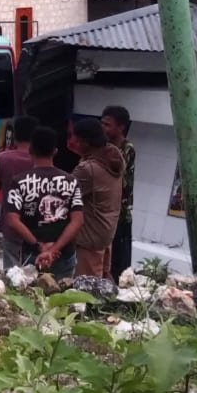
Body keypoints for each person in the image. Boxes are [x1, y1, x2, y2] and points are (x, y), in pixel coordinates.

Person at [2, 126, 84, 281]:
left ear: (30, 151)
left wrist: (39, 246)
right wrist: (54, 249)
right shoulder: (72, 182)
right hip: (64, 254)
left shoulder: (19, 182)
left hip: (33, 254)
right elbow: (78, 221)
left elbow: (12, 221)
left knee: (32, 299)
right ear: (55, 152)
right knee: (62, 299)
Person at [70, 117, 125, 279]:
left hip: (89, 237)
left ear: (86, 142)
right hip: (106, 232)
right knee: (103, 278)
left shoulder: (88, 169)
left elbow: (64, 193)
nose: (75, 144)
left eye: (78, 140)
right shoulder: (114, 157)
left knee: (85, 288)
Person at [0, 115, 38, 270]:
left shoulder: (3, 158)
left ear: (15, 135)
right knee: (33, 274)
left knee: (11, 272)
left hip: (10, 225)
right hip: (35, 228)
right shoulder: (40, 161)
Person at [101, 105, 136, 278]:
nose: (103, 128)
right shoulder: (101, 146)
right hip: (103, 212)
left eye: (107, 125)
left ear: (121, 127)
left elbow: (118, 179)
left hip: (120, 214)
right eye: (102, 124)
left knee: (118, 261)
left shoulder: (127, 148)